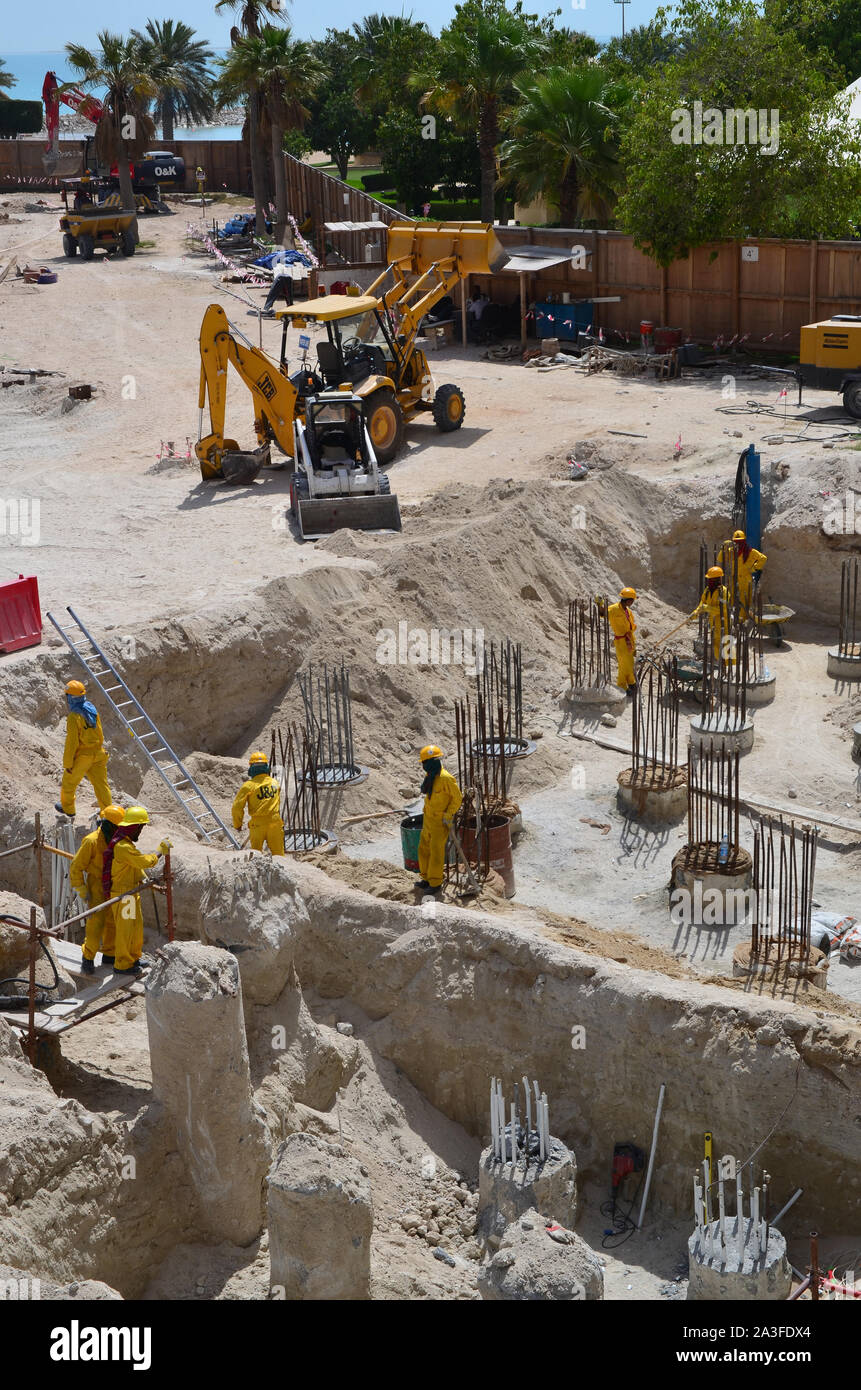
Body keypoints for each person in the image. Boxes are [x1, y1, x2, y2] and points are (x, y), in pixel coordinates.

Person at [103, 805, 172, 976]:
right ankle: (123, 964)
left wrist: (144, 878)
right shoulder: (122, 847)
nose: (140, 832)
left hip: (131, 892)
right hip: (124, 894)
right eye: (140, 828)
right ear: (133, 827)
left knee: (135, 928)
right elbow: (143, 861)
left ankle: (133, 958)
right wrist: (160, 851)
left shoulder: (127, 844)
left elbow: (132, 867)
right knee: (126, 931)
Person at [69, 804, 125, 975]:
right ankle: (88, 957)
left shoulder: (119, 841)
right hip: (97, 886)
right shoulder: (92, 841)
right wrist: (81, 888)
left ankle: (110, 953)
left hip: (115, 885)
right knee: (96, 923)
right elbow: (76, 866)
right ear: (109, 825)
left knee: (114, 921)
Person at [56, 679, 113, 818]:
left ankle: (68, 809)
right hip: (99, 753)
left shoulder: (74, 716)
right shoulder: (91, 708)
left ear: (70, 697)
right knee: (101, 786)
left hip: (83, 756)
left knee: (69, 783)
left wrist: (68, 763)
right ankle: (108, 816)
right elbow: (99, 732)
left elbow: (72, 742)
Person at [416, 745, 463, 895]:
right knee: (423, 850)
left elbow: (457, 799)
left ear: (432, 762)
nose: (423, 766)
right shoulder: (430, 775)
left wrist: (448, 815)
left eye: (425, 763)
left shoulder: (446, 778)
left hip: (439, 822)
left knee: (436, 853)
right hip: (428, 820)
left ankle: (435, 883)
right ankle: (426, 878)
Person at [232, 751, 285, 855]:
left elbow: (237, 807)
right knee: (279, 855)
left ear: (251, 768)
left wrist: (237, 824)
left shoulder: (248, 786)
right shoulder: (275, 783)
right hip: (275, 822)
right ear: (266, 767)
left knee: (256, 855)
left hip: (257, 825)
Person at [719, 529, 767, 620]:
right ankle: (733, 618)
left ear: (744, 541)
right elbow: (720, 559)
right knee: (732, 599)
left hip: (745, 580)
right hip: (734, 579)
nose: (738, 544)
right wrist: (723, 547)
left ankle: (742, 619)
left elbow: (763, 558)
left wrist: (754, 568)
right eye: (736, 542)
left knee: (744, 600)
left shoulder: (750, 551)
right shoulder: (731, 551)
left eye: (740, 541)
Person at [692, 566, 731, 661]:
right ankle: (721, 666)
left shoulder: (724, 592)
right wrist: (695, 612)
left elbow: (723, 610)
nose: (709, 581)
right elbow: (702, 603)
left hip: (723, 624)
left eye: (711, 579)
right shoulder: (707, 590)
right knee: (716, 647)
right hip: (713, 624)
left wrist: (707, 608)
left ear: (717, 579)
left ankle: (727, 667)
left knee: (727, 648)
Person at [608, 588, 638, 694]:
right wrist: (599, 606)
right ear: (628, 600)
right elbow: (602, 614)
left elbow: (631, 625)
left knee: (630, 663)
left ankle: (631, 681)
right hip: (621, 641)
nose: (633, 602)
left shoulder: (627, 610)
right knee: (623, 664)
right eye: (632, 600)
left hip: (629, 640)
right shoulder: (613, 609)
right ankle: (622, 687)